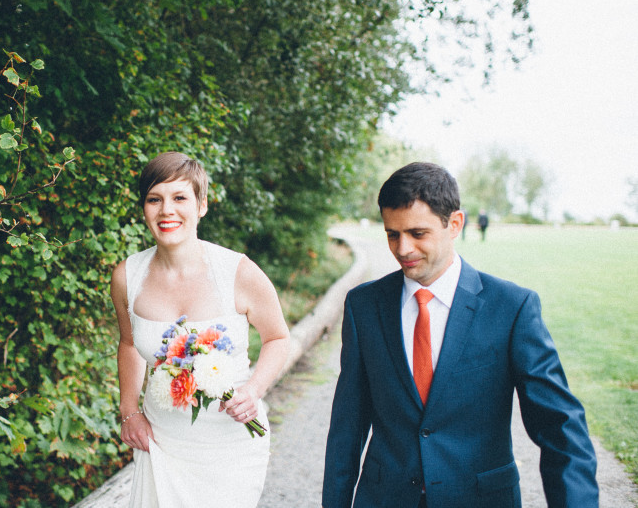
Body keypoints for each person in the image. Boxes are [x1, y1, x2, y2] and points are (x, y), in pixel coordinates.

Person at [322, 162, 598, 508]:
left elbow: (560, 428)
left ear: (454, 224)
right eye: (393, 234)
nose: (403, 248)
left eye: (417, 233)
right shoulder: (363, 305)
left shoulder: (512, 307)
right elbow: (347, 426)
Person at [112, 151, 290, 507]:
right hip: (162, 440)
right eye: (154, 199)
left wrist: (254, 390)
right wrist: (129, 411)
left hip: (231, 442)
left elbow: (278, 338)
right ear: (143, 207)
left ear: (202, 205)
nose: (166, 211)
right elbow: (130, 345)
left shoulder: (238, 272)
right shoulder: (126, 277)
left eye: (180, 198)